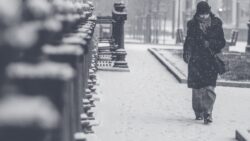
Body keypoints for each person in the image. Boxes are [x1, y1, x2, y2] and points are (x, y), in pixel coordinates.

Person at [183, 1, 226, 124]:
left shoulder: (217, 24)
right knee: (197, 89)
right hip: (196, 60)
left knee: (209, 88)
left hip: (211, 61)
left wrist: (210, 43)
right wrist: (186, 53)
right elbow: (189, 41)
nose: (203, 16)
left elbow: (222, 42)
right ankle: (198, 111)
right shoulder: (192, 24)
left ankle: (208, 112)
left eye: (205, 14)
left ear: (209, 12)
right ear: (198, 13)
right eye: (201, 14)